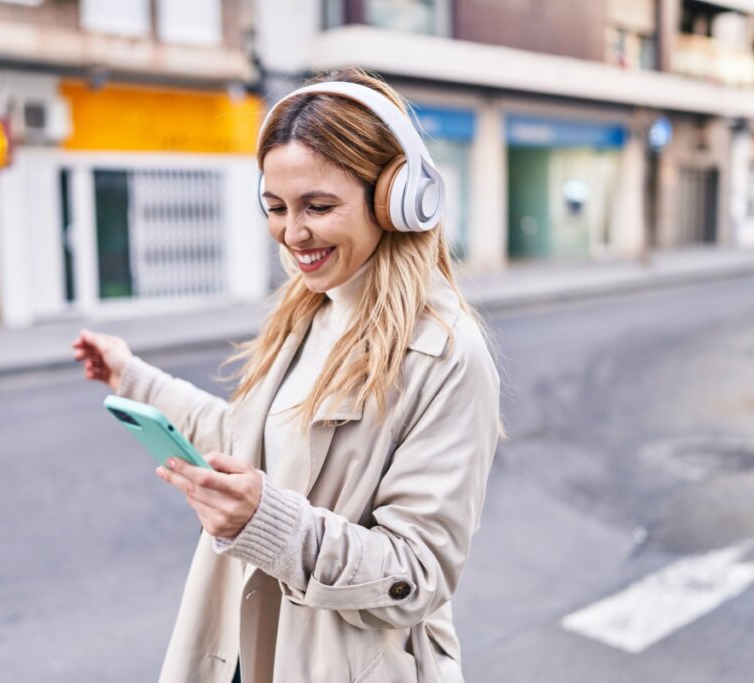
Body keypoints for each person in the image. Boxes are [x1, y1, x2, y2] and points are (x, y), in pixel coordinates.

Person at [72, 67, 503, 683]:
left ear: (397, 199)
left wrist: (268, 525)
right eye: (275, 207)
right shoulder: (307, 309)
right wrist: (132, 377)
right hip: (245, 654)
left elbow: (418, 574)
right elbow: (249, 438)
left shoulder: (445, 353)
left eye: (318, 207)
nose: (292, 233)